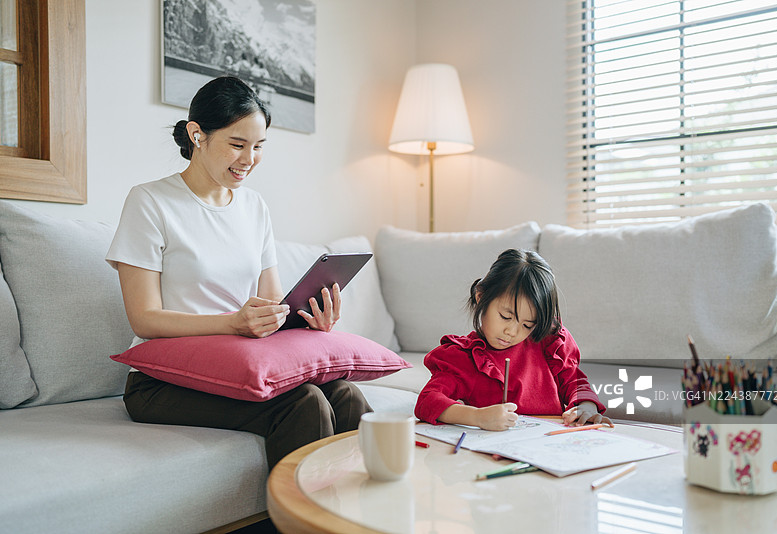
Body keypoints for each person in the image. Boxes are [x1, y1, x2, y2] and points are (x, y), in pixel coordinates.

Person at [106, 76, 371, 468]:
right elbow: (144, 319)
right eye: (237, 144)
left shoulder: (254, 207)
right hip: (162, 382)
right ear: (197, 135)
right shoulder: (150, 201)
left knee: (345, 395)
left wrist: (305, 319)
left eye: (259, 146)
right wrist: (233, 324)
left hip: (240, 364)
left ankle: (354, 518)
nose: (249, 159)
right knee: (302, 403)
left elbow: (271, 307)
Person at [414, 248, 612, 431]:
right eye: (506, 317)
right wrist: (477, 417)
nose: (512, 331)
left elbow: (574, 380)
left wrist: (586, 406)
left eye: (527, 325)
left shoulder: (548, 341)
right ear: (481, 297)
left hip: (550, 446)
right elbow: (427, 401)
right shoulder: (464, 358)